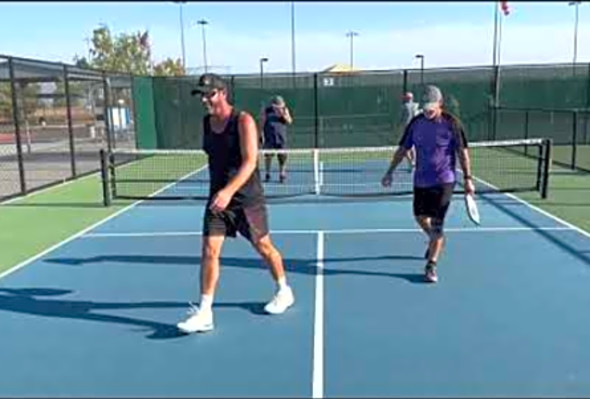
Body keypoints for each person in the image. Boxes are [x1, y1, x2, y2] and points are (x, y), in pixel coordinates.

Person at [177, 73, 295, 333]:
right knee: (209, 250)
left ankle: (283, 290)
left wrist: (229, 191)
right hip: (218, 200)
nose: (205, 100)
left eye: (209, 94)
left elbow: (250, 161)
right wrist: (221, 193)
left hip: (247, 199)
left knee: (264, 246)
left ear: (223, 93)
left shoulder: (243, 120)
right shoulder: (207, 123)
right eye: (202, 95)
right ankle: (205, 311)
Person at [381, 85, 475, 283]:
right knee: (420, 217)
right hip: (421, 181)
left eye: (432, 106)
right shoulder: (416, 123)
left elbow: (462, 153)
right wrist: (390, 171)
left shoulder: (452, 124)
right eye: (425, 106)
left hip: (444, 181)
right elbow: (403, 148)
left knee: (437, 225)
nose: (428, 110)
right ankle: (436, 238)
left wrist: (468, 179)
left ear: (440, 104)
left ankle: (431, 264)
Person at [260, 95, 293, 183]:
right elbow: (262, 121)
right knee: (268, 156)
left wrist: (283, 114)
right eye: (277, 105)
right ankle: (267, 173)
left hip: (281, 138)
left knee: (282, 157)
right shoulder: (267, 110)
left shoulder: (285, 110)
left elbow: (289, 121)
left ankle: (282, 174)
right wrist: (261, 133)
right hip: (269, 137)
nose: (279, 107)